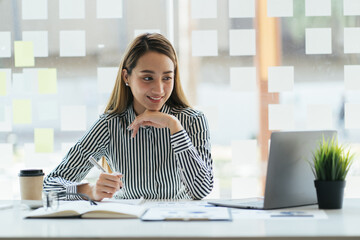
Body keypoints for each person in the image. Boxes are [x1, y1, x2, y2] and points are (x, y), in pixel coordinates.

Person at [43, 33, 213, 201]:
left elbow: (201, 190)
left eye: (167, 78)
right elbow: (50, 185)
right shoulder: (109, 125)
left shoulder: (192, 121)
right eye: (147, 78)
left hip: (177, 223)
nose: (159, 89)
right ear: (127, 77)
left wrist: (174, 126)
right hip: (129, 223)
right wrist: (89, 190)